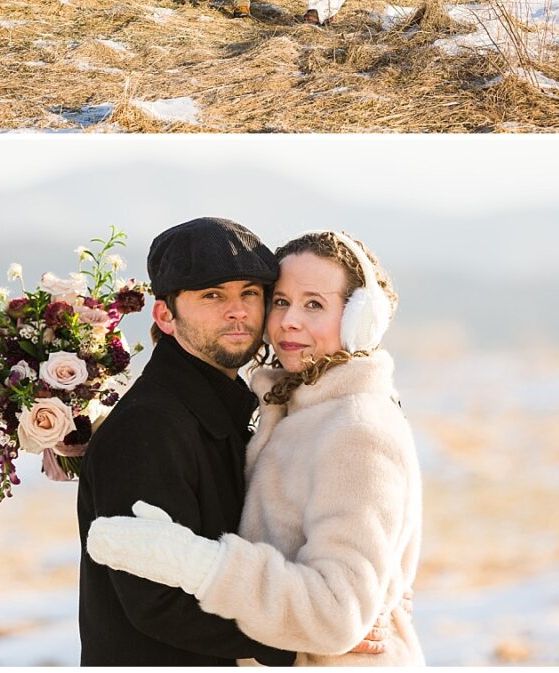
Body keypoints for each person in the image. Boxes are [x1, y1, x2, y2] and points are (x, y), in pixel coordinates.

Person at [86, 231, 424, 665]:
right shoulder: (284, 414)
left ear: (361, 319)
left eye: (314, 304)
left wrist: (195, 562)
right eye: (281, 301)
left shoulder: (356, 428)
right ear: (165, 317)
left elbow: (338, 614)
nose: (288, 321)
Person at [77, 217, 296, 666]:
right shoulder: (147, 427)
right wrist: (303, 637)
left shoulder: (225, 408)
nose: (237, 311)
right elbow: (157, 603)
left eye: (249, 293)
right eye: (212, 295)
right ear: (165, 315)